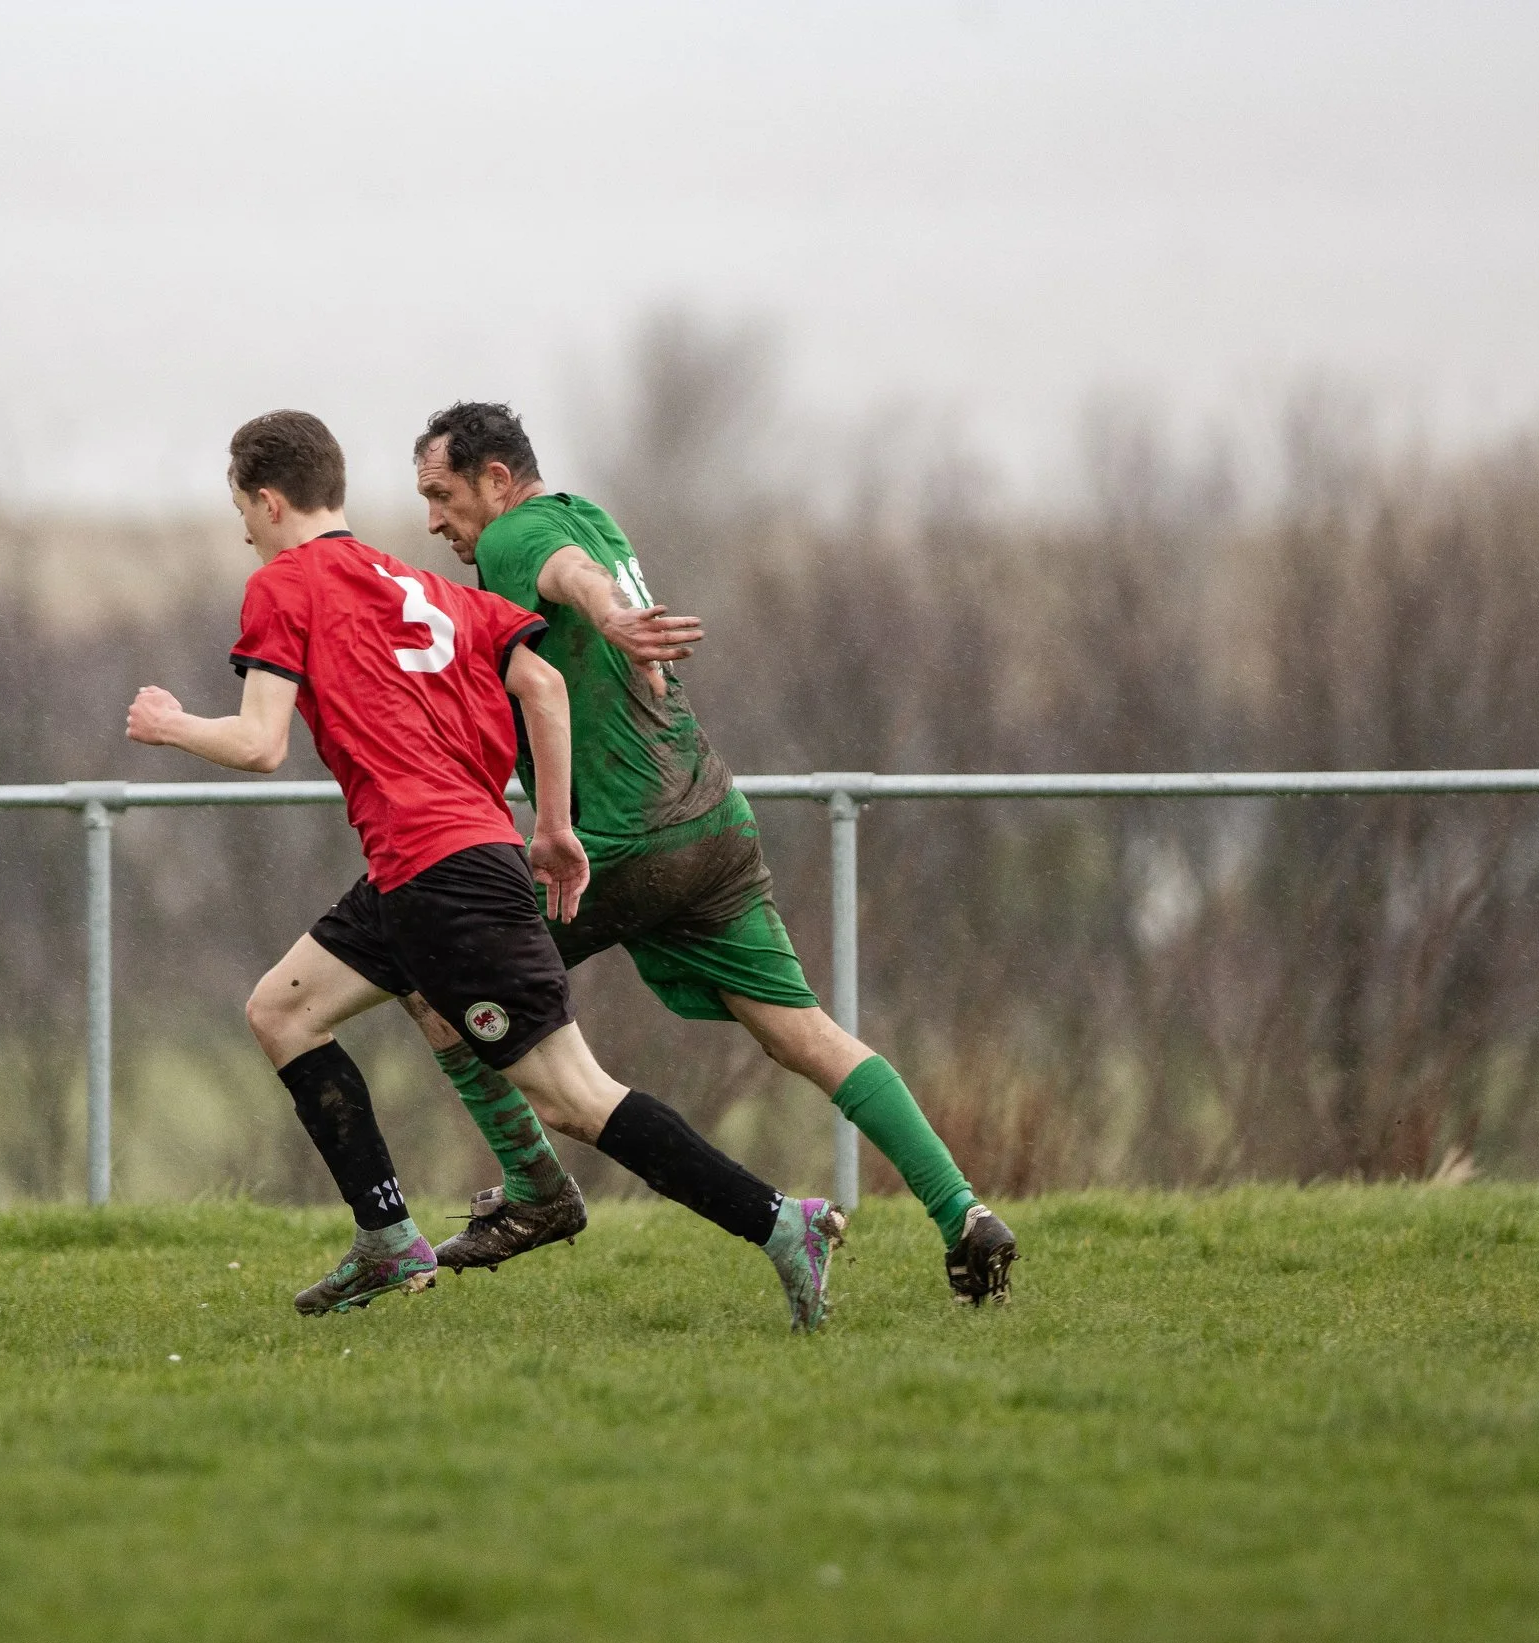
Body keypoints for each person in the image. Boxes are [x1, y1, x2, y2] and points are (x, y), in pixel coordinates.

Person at [126, 409, 847, 1329]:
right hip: (428, 866)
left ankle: (786, 1224)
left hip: (444, 879)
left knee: (577, 1099)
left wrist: (172, 723)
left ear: (269, 501)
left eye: (242, 509)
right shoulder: (420, 584)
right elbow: (542, 684)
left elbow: (262, 743)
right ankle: (389, 1239)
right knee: (283, 1009)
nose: (242, 530)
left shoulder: (283, 585)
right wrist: (550, 827)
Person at [405, 401, 1017, 1306]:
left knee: (429, 970)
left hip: (624, 842)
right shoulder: (594, 515)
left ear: (494, 482)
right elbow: (586, 573)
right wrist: (616, 619)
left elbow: (567, 578)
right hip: (713, 824)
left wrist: (607, 618)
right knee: (805, 1034)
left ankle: (533, 1194)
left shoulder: (516, 538)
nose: (433, 521)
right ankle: (963, 1214)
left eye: (440, 494)